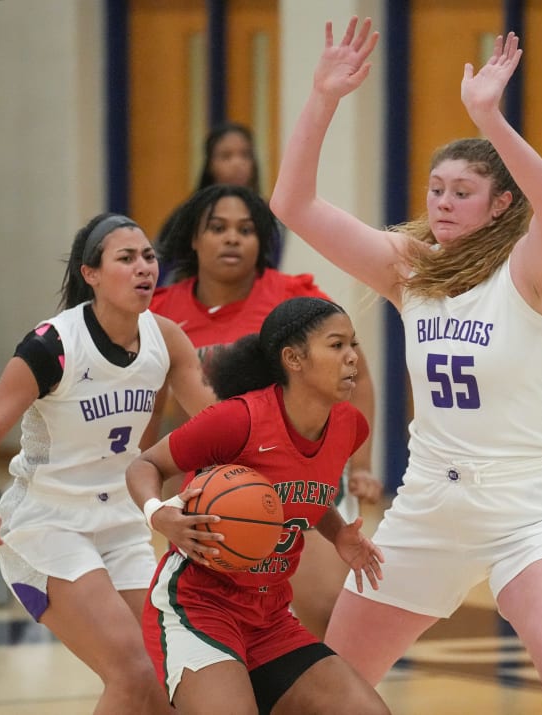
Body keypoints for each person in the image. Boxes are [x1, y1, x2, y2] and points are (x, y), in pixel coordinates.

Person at [270, 18, 542, 715]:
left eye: (462, 191)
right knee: (333, 681)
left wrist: (491, 118)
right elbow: (292, 204)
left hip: (533, 504)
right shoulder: (410, 270)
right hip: (429, 504)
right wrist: (323, 97)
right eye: (435, 189)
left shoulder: (534, 272)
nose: (443, 204)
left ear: (500, 204)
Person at [0, 213, 213, 714]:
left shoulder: (166, 338)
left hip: (121, 524)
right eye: (126, 258)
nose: (143, 267)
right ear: (91, 274)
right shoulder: (51, 347)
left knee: (160, 677)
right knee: (130, 672)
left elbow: (217, 422)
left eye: (148, 257)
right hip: (47, 524)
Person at [126, 296, 390, 715]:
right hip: (197, 607)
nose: (352, 357)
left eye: (353, 345)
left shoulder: (348, 426)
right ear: (293, 359)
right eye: (336, 345)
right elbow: (144, 465)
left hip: (269, 615)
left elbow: (306, 491)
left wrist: (338, 532)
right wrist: (160, 514)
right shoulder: (238, 420)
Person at [146, 183, 382, 639]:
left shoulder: (291, 296)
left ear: (262, 243)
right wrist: (144, 481)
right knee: (224, 615)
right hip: (221, 488)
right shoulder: (163, 311)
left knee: (326, 608)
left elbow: (361, 375)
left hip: (302, 476)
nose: (232, 238)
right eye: (218, 228)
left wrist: (363, 464)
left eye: (246, 230)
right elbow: (152, 406)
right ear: (194, 238)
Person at [158, 121, 283, 279]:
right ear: (210, 164)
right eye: (226, 156)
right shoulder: (187, 215)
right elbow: (164, 267)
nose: (237, 164)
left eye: (245, 155)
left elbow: (271, 269)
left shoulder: (271, 217)